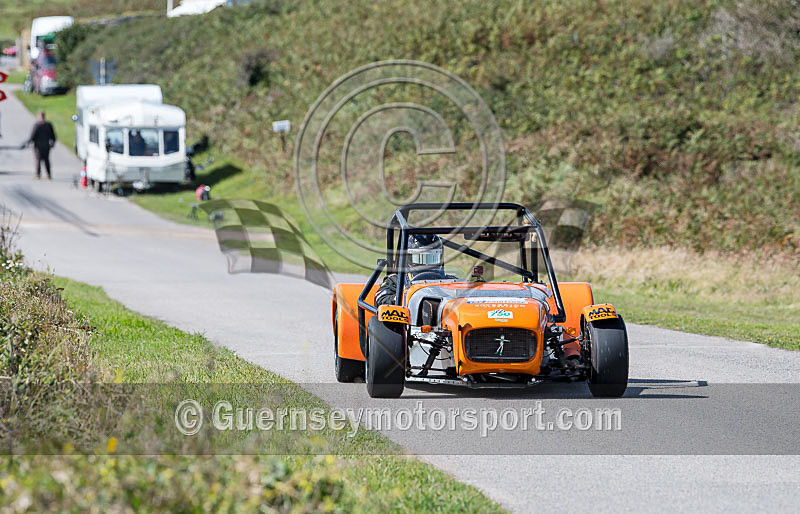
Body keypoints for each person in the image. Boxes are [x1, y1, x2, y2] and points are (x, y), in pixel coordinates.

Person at [375, 234, 454, 306]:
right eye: (420, 259)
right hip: (406, 319)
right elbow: (380, 299)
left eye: (431, 259)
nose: (426, 265)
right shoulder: (396, 281)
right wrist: (403, 298)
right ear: (408, 258)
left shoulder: (449, 281)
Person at [24, 111, 56, 180]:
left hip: (38, 146)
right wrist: (53, 142)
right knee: (46, 160)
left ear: (39, 116)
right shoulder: (48, 124)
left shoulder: (37, 125)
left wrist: (28, 142)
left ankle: (38, 175)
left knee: (38, 160)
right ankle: (49, 175)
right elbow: (53, 135)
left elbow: (33, 135)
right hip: (46, 145)